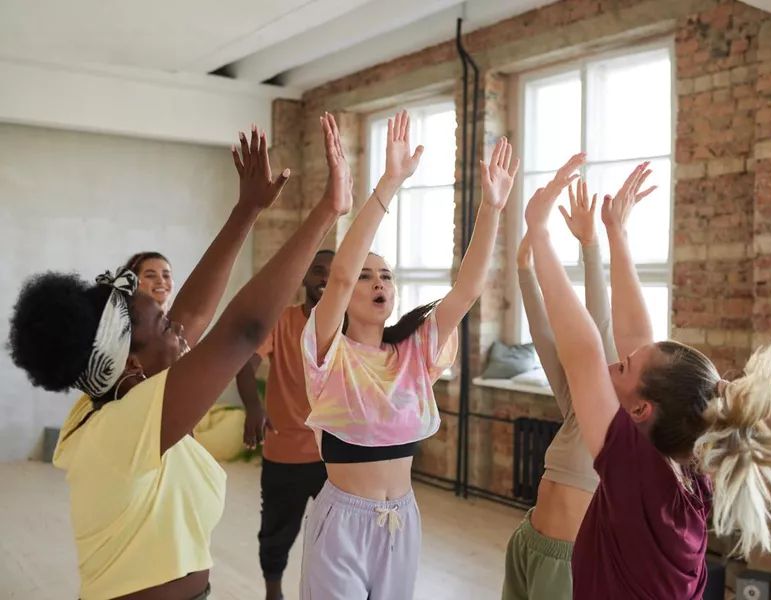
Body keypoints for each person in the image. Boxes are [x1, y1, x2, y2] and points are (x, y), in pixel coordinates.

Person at [7, 115, 351, 600]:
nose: (180, 329)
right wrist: (327, 212)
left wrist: (246, 210)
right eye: (164, 327)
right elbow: (242, 330)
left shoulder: (102, 401)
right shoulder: (127, 426)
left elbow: (192, 314)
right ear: (130, 365)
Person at [523, 155, 771, 599]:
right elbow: (638, 340)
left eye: (624, 367)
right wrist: (616, 233)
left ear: (640, 410)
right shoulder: (685, 466)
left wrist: (538, 233)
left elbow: (583, 352)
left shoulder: (638, 471)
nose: (617, 360)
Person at [298, 110, 519, 600]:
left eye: (388, 276)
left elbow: (467, 289)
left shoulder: (415, 352)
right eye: (367, 275)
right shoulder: (327, 350)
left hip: (402, 519)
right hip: (342, 522)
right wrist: (389, 184)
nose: (379, 283)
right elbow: (338, 275)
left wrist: (492, 209)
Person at [502, 179, 616, 600]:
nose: (613, 362)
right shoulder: (577, 410)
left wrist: (592, 247)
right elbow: (547, 339)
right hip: (527, 542)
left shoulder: (618, 428)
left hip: (569, 562)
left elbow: (597, 331)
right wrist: (524, 271)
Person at [236, 248, 334, 600]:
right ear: (305, 278)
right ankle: (273, 594)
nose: (325, 277)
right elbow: (244, 365)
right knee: (276, 535)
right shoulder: (283, 320)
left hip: (335, 459)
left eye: (334, 272)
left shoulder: (350, 326)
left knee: (336, 539)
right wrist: (253, 407)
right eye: (318, 270)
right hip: (285, 454)